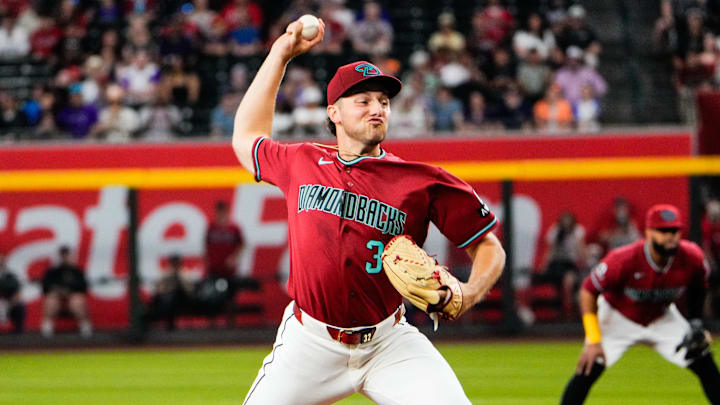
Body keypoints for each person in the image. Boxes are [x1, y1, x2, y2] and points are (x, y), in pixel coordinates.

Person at [232, 18, 505, 404]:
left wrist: (469, 290)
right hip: (309, 343)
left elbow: (489, 246)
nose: (376, 108)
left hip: (389, 342)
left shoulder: (421, 180)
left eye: (383, 101)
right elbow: (246, 137)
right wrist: (280, 54)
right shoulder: (301, 161)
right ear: (333, 113)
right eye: (363, 101)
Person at [560, 204, 720, 404]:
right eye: (663, 231)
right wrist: (593, 339)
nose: (670, 236)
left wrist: (696, 321)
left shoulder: (692, 257)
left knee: (703, 359)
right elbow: (588, 291)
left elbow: (699, 284)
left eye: (674, 230)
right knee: (588, 368)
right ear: (648, 232)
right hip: (618, 317)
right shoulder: (623, 259)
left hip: (661, 317)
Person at [41, 245, 92, 337]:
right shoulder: (52, 271)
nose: (64, 258)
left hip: (72, 297)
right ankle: (47, 328)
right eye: (62, 256)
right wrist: (59, 291)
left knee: (77, 301)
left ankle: (85, 327)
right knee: (50, 300)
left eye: (66, 255)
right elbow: (45, 287)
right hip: (57, 298)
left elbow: (84, 287)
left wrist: (69, 291)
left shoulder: (77, 271)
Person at [145, 254, 196, 331]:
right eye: (173, 262)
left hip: (182, 300)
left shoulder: (184, 272)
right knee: (161, 299)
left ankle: (169, 322)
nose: (175, 264)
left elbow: (189, 289)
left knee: (173, 298)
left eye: (176, 262)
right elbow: (159, 287)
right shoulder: (167, 273)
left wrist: (179, 276)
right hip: (166, 299)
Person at [0, 252, 25, 334]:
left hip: (9, 303)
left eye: (2, 261)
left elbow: (17, 291)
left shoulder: (11, 276)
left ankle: (18, 334)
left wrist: (9, 303)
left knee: (20, 307)